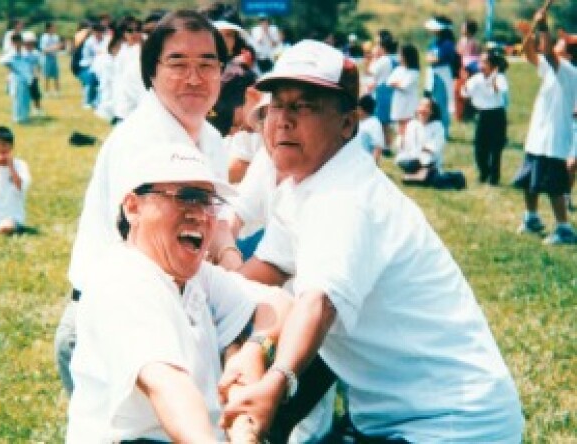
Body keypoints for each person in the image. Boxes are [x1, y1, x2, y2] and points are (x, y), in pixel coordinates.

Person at [220, 40, 524, 443]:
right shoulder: (305, 184)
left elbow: (317, 303)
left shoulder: (345, 200)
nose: (283, 120)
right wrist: (206, 296)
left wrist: (275, 381)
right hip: (400, 419)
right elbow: (267, 271)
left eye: (304, 106)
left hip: (451, 424)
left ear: (347, 124)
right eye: (277, 105)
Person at [56, 9, 231, 397]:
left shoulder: (211, 139)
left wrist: (232, 260)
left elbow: (217, 221)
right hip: (113, 326)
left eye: (207, 64)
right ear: (151, 72)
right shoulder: (143, 142)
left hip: (169, 317)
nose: (194, 77)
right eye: (178, 63)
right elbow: (148, 257)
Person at [67, 142, 291, 443]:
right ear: (133, 208)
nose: (200, 215)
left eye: (208, 201)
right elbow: (170, 389)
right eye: (185, 198)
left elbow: (280, 303)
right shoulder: (123, 281)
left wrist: (251, 349)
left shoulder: (194, 273)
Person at [512, 8, 577, 245]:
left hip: (553, 138)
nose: (556, 46)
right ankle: (531, 218)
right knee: (529, 179)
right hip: (538, 136)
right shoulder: (552, 68)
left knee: (554, 186)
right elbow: (532, 56)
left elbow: (547, 53)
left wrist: (542, 26)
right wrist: (528, 35)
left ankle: (564, 228)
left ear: (568, 56)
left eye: (561, 45)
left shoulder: (568, 72)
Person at [461, 49, 509, 185]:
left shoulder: (500, 77)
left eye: (484, 62)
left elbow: (499, 90)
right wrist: (465, 82)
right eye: (480, 62)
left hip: (497, 114)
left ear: (492, 64)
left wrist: (492, 80)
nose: (481, 65)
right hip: (483, 114)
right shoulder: (476, 78)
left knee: (495, 148)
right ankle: (484, 172)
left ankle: (494, 177)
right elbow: (465, 94)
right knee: (480, 148)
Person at [395, 97, 446, 185]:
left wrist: (420, 149)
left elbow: (435, 148)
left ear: (432, 111)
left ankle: (419, 176)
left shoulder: (437, 126)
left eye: (426, 107)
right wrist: (401, 136)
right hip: (412, 160)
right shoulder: (412, 124)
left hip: (429, 161)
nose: (422, 109)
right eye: (421, 106)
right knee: (407, 162)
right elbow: (402, 146)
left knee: (435, 179)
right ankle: (419, 176)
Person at [425, 15, 457, 137]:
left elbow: (439, 58)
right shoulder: (434, 42)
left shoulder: (447, 43)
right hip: (433, 74)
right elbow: (429, 57)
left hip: (442, 74)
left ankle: (444, 130)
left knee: (442, 102)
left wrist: (433, 59)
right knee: (432, 101)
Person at [387, 44, 420, 146]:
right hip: (398, 100)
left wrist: (397, 83)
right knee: (399, 124)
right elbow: (389, 82)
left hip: (408, 101)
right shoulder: (398, 69)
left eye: (401, 55)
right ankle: (401, 144)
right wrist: (398, 83)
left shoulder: (414, 72)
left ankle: (408, 145)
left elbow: (405, 86)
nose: (399, 57)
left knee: (407, 123)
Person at [0, 33, 32, 123]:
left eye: (20, 42)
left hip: (26, 77)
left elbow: (29, 62)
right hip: (16, 78)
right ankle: (17, 117)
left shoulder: (24, 52)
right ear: (13, 43)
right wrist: (11, 68)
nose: (18, 44)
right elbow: (2, 61)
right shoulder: (11, 53)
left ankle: (25, 116)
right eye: (16, 42)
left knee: (26, 98)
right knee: (17, 98)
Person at [356, 95, 385, 164]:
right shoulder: (358, 122)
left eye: (357, 109)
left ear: (361, 110)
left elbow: (378, 147)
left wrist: (371, 166)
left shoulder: (374, 124)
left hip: (365, 163)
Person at [22, 31, 45, 117]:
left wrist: (38, 74)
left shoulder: (36, 53)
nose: (29, 45)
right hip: (23, 77)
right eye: (27, 43)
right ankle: (24, 109)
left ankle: (38, 109)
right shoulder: (21, 53)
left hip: (33, 76)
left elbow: (38, 65)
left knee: (36, 94)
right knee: (23, 94)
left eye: (31, 43)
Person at [40, 21, 62, 97]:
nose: (55, 28)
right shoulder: (44, 37)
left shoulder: (56, 36)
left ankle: (57, 92)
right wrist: (54, 48)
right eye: (53, 27)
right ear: (48, 28)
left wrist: (57, 47)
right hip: (46, 58)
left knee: (56, 75)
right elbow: (43, 50)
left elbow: (58, 46)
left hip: (54, 57)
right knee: (46, 76)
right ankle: (46, 92)